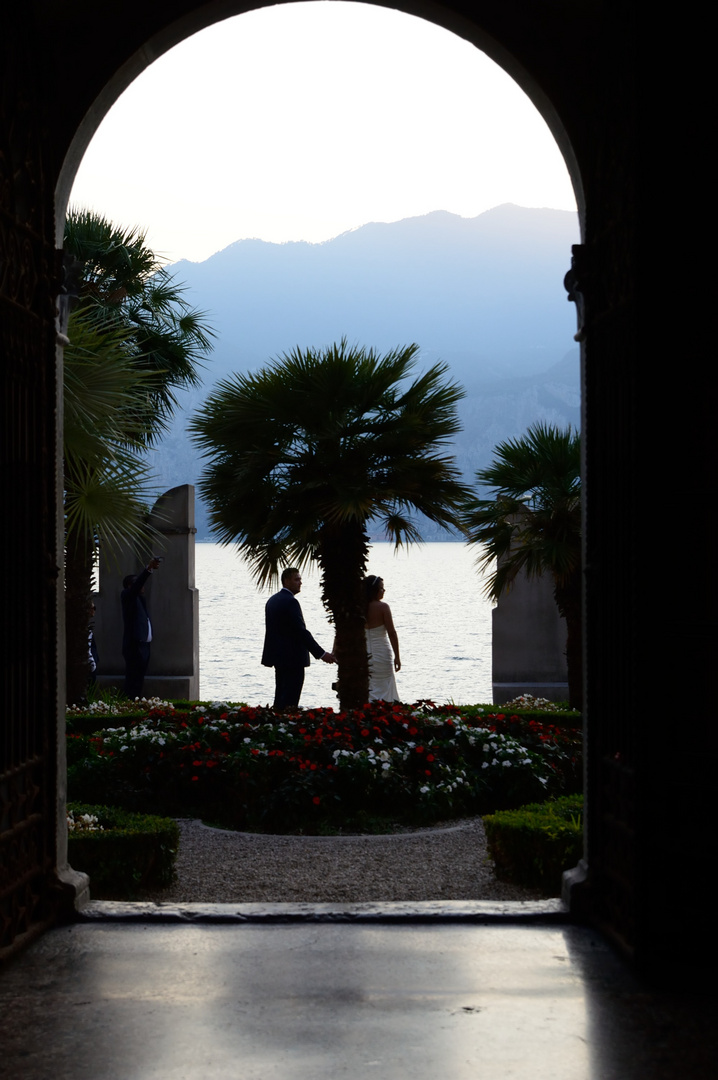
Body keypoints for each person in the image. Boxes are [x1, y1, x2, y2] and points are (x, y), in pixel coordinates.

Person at [261, 567, 335, 709]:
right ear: (286, 581)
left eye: (300, 579)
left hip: (278, 658)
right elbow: (300, 632)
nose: (300, 582)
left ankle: (277, 725)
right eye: (297, 579)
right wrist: (321, 654)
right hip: (293, 659)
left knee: (280, 696)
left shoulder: (272, 600)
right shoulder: (291, 602)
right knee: (290, 700)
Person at [121, 557, 161, 699]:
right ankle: (129, 702)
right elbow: (137, 586)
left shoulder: (139, 599)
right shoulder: (127, 596)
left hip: (143, 646)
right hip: (134, 646)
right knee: (133, 679)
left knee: (139, 679)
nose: (142, 587)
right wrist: (148, 570)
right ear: (130, 586)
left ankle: (135, 701)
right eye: (137, 584)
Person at [364, 574, 401, 702]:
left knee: (368, 685)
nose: (384, 591)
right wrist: (397, 656)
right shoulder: (383, 607)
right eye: (381, 588)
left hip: (364, 653)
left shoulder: (359, 608)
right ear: (374, 590)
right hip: (382, 652)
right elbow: (392, 633)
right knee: (385, 684)